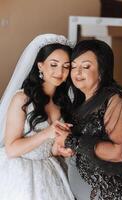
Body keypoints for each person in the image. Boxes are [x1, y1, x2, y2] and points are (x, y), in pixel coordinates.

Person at [56, 39, 122, 200]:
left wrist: (71, 141)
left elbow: (120, 152)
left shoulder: (115, 100)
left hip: (111, 194)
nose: (77, 73)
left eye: (85, 67)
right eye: (74, 66)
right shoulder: (80, 102)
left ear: (102, 70)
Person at [0, 34, 75, 200]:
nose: (60, 72)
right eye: (53, 65)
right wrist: (47, 133)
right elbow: (11, 149)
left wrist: (60, 149)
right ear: (40, 65)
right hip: (20, 171)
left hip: (50, 171)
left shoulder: (64, 101)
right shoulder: (22, 99)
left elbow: (52, 148)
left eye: (66, 66)